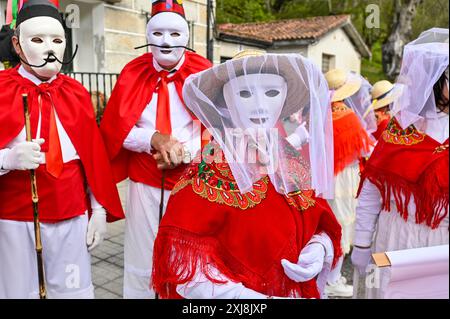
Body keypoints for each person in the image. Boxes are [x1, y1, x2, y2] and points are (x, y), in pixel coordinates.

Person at [151, 50, 343, 299]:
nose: (260, 105)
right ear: (226, 101)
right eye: (244, 93)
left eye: (271, 92)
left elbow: (319, 219)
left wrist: (320, 248)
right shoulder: (208, 169)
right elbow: (184, 263)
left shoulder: (291, 159)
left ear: (285, 97)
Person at [0, 0, 124, 299]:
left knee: (73, 291)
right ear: (17, 45)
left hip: (71, 213)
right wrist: (7, 158)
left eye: (57, 40)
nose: (49, 50)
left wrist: (97, 209)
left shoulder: (76, 92)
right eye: (37, 40)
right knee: (18, 292)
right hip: (14, 219)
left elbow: (91, 157)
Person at [100, 0, 212, 299]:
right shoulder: (132, 72)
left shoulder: (204, 73)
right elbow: (116, 130)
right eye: (158, 33)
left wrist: (183, 152)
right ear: (148, 35)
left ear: (186, 36)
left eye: (174, 34)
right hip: (144, 181)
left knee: (187, 258)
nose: (165, 41)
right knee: (142, 257)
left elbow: (217, 129)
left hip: (192, 181)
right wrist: (152, 138)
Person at [351, 28, 449, 299]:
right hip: (395, 239)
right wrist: (360, 244)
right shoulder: (400, 130)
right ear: (433, 80)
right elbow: (371, 191)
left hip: (443, 244)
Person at [323, 69, 374, 297]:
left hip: (326, 176)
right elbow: (363, 149)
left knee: (329, 223)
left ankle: (328, 275)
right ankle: (333, 279)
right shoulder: (349, 118)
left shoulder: (321, 115)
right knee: (342, 224)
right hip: (345, 177)